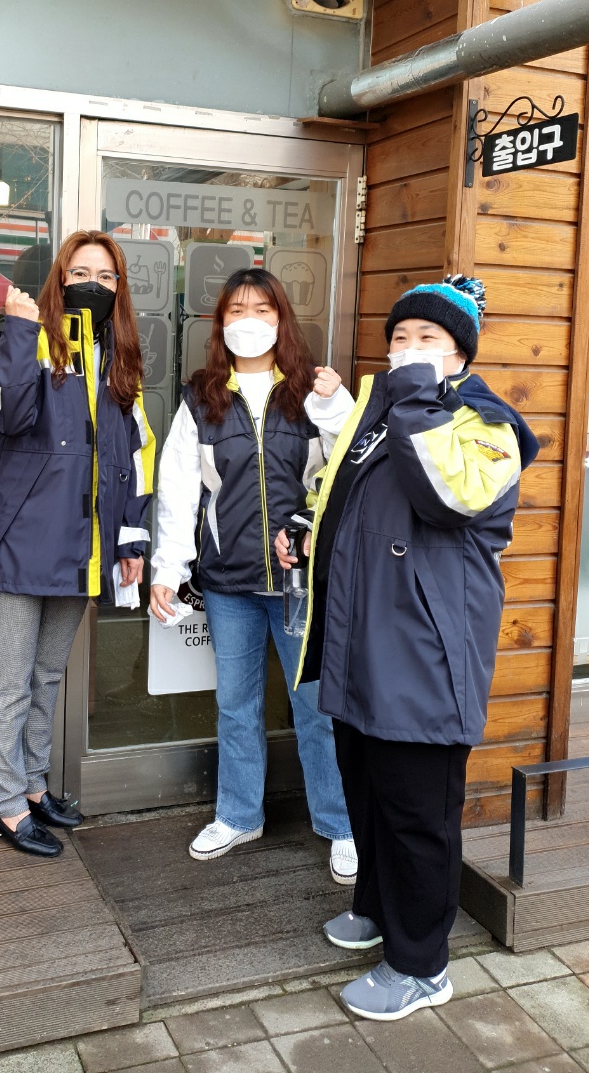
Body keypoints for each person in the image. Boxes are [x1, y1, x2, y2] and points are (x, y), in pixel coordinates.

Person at [277, 275, 539, 1020]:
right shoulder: (382, 414)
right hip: (363, 643)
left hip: (426, 655)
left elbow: (447, 497)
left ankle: (422, 965)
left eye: (428, 338)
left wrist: (416, 396)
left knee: (418, 813)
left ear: (461, 352)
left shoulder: (488, 424)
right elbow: (343, 500)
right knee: (368, 791)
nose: (408, 349)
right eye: (399, 338)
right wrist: (306, 531)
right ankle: (377, 908)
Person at [150, 267, 357, 883]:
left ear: (281, 318)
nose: (249, 320)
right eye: (237, 309)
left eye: (262, 309)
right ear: (220, 324)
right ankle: (239, 815)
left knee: (316, 707)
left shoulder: (311, 390)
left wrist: (336, 406)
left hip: (300, 582)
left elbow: (349, 466)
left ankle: (339, 823)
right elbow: (178, 491)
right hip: (229, 582)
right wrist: (168, 568)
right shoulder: (202, 398)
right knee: (236, 706)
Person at [0, 230, 155, 857]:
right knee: (10, 682)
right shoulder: (26, 338)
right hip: (19, 546)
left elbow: (134, 458)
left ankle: (31, 787)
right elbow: (5, 415)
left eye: (106, 276)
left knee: (47, 675)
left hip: (83, 548)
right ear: (59, 278)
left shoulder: (119, 360)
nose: (92, 284)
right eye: (80, 272)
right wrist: (19, 331)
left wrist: (131, 537)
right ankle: (3, 805)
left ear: (119, 289)